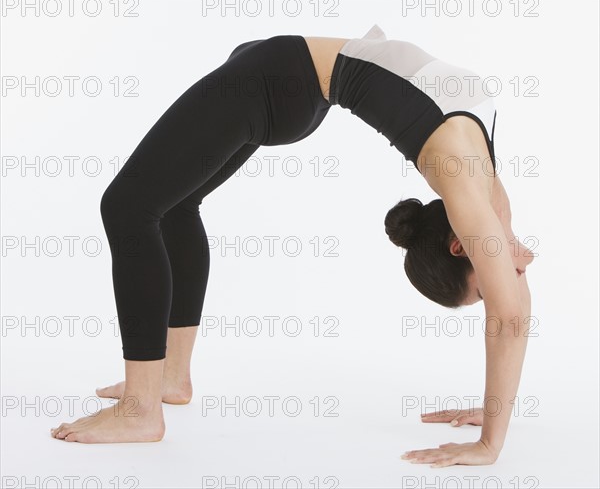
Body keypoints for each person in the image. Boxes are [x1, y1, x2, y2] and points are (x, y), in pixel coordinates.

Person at [51, 24, 534, 467]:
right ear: (459, 248)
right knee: (167, 206)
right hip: (285, 80)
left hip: (279, 80)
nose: (496, 285)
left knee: (129, 208)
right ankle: (169, 380)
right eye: (482, 290)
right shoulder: (475, 190)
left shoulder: (476, 185)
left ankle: (142, 407)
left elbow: (512, 307)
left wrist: (493, 425)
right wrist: (491, 440)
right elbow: (510, 309)